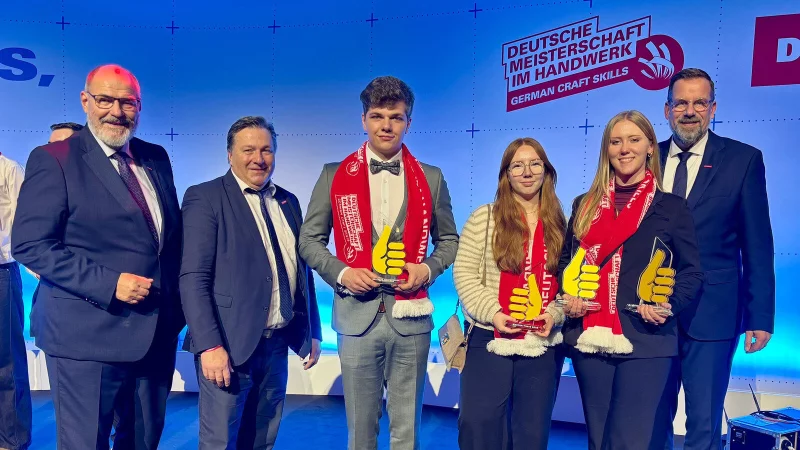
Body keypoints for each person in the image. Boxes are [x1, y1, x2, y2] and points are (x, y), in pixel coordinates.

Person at [11, 64, 184, 449]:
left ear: (139, 107)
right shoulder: (54, 158)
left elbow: (168, 242)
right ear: (86, 101)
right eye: (105, 100)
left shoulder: (156, 158)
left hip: (154, 334)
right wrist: (111, 283)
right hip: (85, 339)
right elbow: (30, 243)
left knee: (142, 442)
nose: (116, 111)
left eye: (128, 102)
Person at [299, 76, 459, 450]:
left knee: (407, 431)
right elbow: (309, 240)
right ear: (363, 120)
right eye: (377, 116)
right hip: (357, 317)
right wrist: (342, 273)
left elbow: (448, 241)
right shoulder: (333, 174)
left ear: (408, 122)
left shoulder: (431, 179)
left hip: (412, 318)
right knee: (360, 432)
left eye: (396, 117)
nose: (386, 125)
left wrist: (428, 269)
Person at [559, 110, 703, 449]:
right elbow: (566, 263)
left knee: (632, 441)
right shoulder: (584, 205)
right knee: (599, 439)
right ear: (606, 150)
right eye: (616, 141)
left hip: (647, 339)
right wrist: (570, 297)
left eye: (634, 139)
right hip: (589, 336)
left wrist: (669, 304)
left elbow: (692, 271)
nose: (625, 148)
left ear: (650, 147)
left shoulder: (672, 207)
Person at [180, 116, 323, 449]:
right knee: (221, 442)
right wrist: (209, 346)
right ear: (230, 154)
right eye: (248, 150)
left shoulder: (288, 201)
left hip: (276, 345)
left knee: (262, 440)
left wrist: (312, 330)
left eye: (266, 150)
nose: (258, 159)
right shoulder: (206, 197)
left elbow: (302, 273)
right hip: (228, 347)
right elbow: (192, 278)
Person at [660, 68, 775, 450]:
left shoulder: (743, 160)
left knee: (703, 423)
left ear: (713, 109)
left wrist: (759, 317)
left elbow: (757, 243)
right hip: (647, 312)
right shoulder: (644, 157)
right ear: (667, 110)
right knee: (648, 417)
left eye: (699, 103)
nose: (689, 111)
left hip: (713, 311)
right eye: (681, 103)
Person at [453, 137, 567, 449]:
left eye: (535, 164)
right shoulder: (484, 217)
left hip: (542, 343)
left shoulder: (561, 224)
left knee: (531, 432)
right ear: (506, 174)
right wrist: (495, 313)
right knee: (479, 425)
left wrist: (554, 314)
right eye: (517, 165)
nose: (527, 172)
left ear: (546, 171)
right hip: (490, 337)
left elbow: (568, 284)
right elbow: (463, 273)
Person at [0, 152, 29, 450]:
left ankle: (12, 440)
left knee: (7, 361)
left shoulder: (9, 169)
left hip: (1, 272)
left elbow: (26, 223)